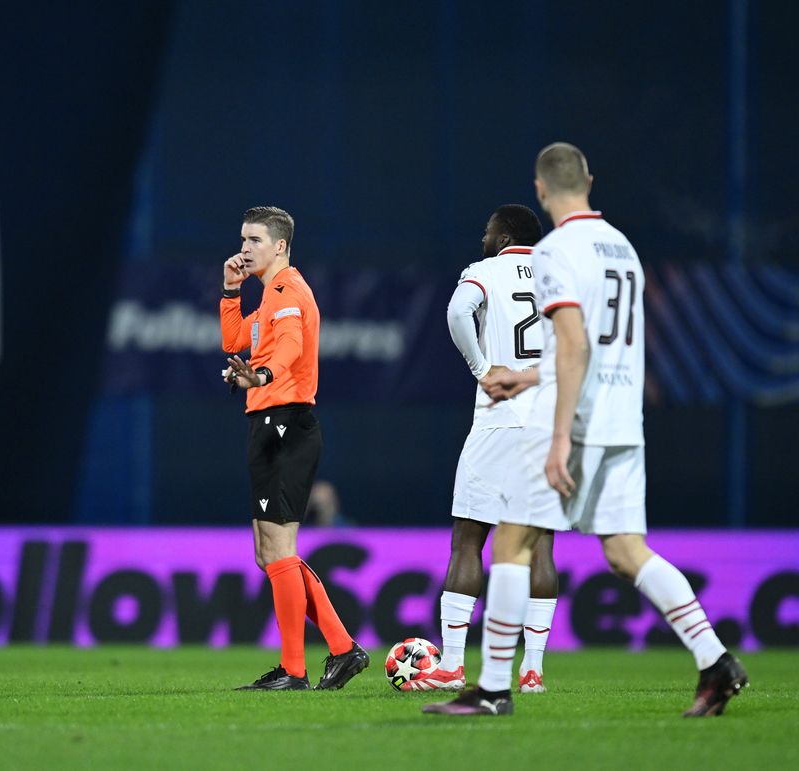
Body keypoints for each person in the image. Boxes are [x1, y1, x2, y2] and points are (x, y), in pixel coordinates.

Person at [425, 143, 748, 717]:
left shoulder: (557, 251)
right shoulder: (623, 250)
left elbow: (572, 344)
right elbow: (596, 345)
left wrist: (555, 436)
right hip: (624, 422)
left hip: (573, 422)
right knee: (626, 552)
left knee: (510, 541)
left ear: (542, 189)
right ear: (590, 181)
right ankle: (716, 659)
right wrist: (527, 376)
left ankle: (494, 688)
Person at [405, 205, 559, 694]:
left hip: (499, 421)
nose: (483, 238)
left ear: (506, 236)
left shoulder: (484, 272)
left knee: (469, 540)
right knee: (541, 545)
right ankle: (532, 669)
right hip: (549, 421)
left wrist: (481, 369)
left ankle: (451, 663)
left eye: (488, 231)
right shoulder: (560, 276)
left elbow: (456, 313)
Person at [221, 206, 369, 691]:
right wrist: (229, 291)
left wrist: (260, 375)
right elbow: (235, 339)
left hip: (285, 422)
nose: (245, 248)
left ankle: (295, 669)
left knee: (278, 548)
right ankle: (343, 649)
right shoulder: (268, 295)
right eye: (243, 239)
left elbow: (289, 345)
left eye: (255, 240)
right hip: (269, 422)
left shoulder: (285, 290)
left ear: (280, 246)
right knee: (268, 553)